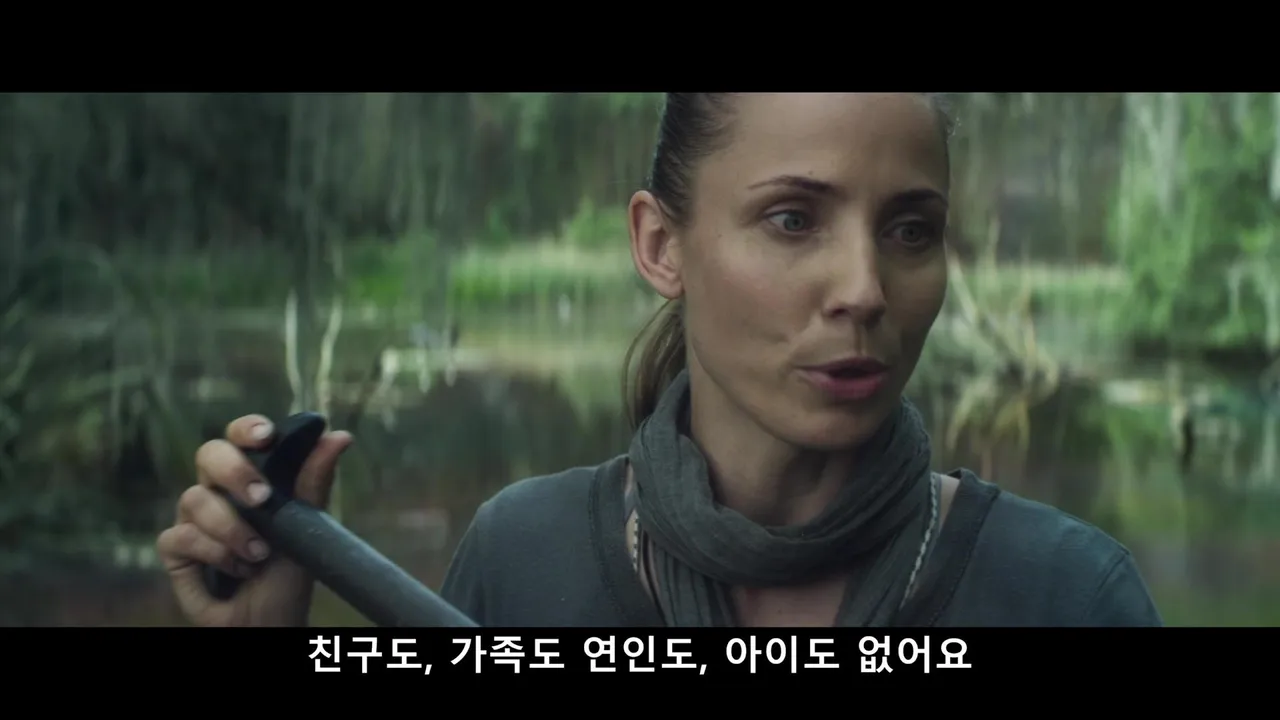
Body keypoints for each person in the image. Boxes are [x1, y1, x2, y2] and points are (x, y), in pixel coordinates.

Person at [157, 93, 1163, 628]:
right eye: (791, 219)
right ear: (659, 245)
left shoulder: (1065, 595)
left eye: (909, 230)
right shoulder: (523, 559)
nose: (862, 287)